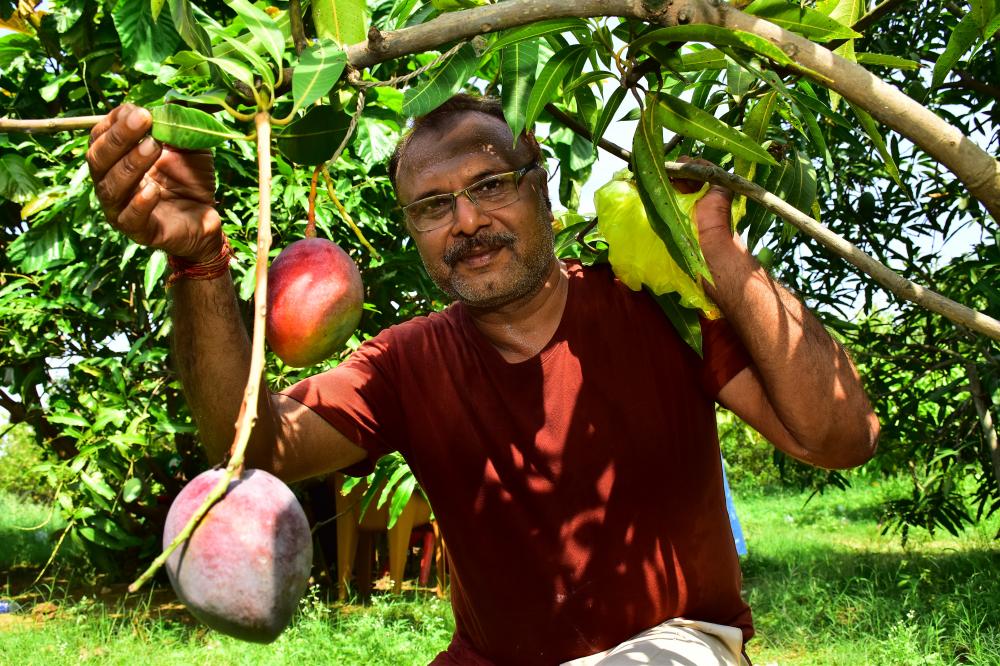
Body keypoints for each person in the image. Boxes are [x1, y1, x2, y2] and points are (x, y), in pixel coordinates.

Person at [86, 94, 879, 665]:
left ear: (544, 191)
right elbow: (253, 447)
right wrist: (198, 262)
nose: (465, 221)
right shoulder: (405, 363)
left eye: (490, 185)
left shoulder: (652, 304)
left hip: (676, 647)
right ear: (414, 233)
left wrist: (718, 251)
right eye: (432, 206)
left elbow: (840, 436)